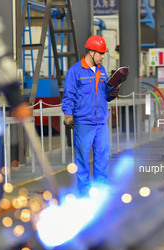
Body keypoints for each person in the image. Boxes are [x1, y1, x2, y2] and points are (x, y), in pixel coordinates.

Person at [62, 35, 120, 195]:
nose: (102, 56)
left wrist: (112, 92)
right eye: (100, 53)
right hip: (83, 122)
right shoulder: (75, 72)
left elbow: (105, 95)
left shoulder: (101, 71)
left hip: (101, 122)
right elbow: (69, 95)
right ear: (90, 51)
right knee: (82, 158)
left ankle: (101, 188)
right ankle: (83, 190)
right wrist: (68, 115)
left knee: (102, 157)